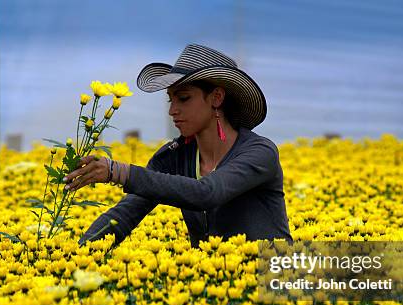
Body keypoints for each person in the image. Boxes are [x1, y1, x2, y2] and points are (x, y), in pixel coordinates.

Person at [63, 43, 293, 248]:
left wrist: (118, 172)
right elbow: (125, 215)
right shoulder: (173, 157)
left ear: (217, 98)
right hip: (211, 288)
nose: (172, 110)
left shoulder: (260, 153)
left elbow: (207, 193)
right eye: (170, 99)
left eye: (183, 99)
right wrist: (77, 252)